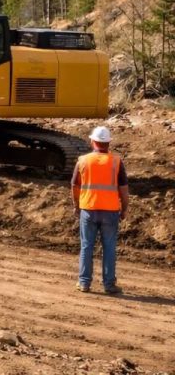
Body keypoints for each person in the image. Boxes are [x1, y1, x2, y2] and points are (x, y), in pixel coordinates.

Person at [71, 126, 129, 294]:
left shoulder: (83, 160)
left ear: (92, 141)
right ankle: (109, 284)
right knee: (109, 247)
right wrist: (124, 209)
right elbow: (124, 190)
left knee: (86, 246)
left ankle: (84, 283)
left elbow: (74, 186)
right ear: (108, 143)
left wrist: (76, 205)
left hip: (88, 209)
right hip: (110, 211)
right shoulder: (116, 162)